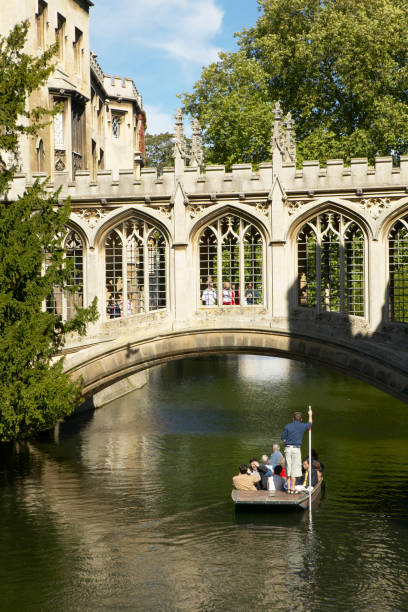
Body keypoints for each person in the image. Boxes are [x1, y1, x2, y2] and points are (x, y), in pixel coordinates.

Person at [281, 408, 312, 494]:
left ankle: (288, 488)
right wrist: (310, 414)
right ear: (301, 419)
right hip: (296, 449)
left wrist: (287, 441)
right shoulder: (302, 426)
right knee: (294, 469)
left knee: (288, 468)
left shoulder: (287, 426)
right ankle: (293, 488)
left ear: (293, 419)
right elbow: (310, 424)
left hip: (288, 448)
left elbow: (283, 439)